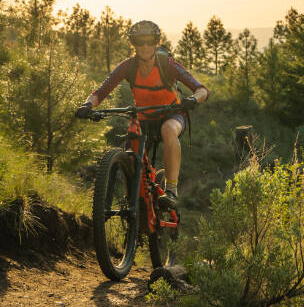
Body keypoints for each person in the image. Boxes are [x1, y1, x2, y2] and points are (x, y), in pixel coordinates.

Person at [76, 20, 208, 210]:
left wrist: (194, 99)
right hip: (143, 117)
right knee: (130, 156)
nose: (145, 46)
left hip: (171, 114)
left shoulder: (167, 64)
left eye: (149, 42)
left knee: (168, 129)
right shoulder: (128, 66)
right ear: (133, 44)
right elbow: (101, 91)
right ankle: (133, 205)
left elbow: (202, 89)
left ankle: (171, 191)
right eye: (140, 42)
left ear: (156, 43)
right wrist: (87, 104)